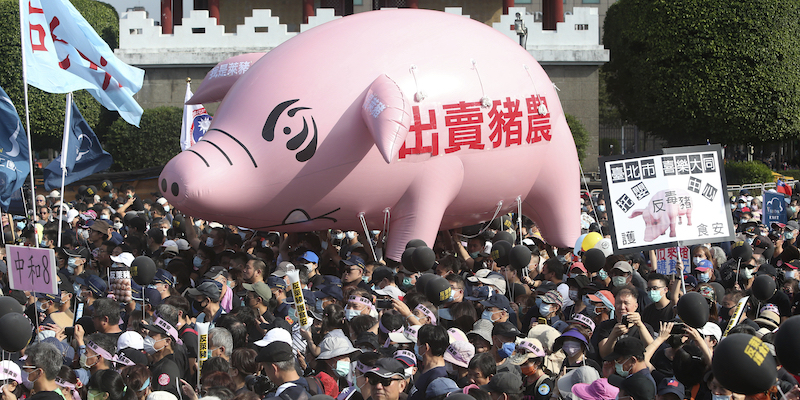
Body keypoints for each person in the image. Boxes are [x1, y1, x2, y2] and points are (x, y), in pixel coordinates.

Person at [407, 324, 449, 400]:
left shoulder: (438, 378)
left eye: (418, 343)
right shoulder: (427, 370)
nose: (416, 346)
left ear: (425, 347)